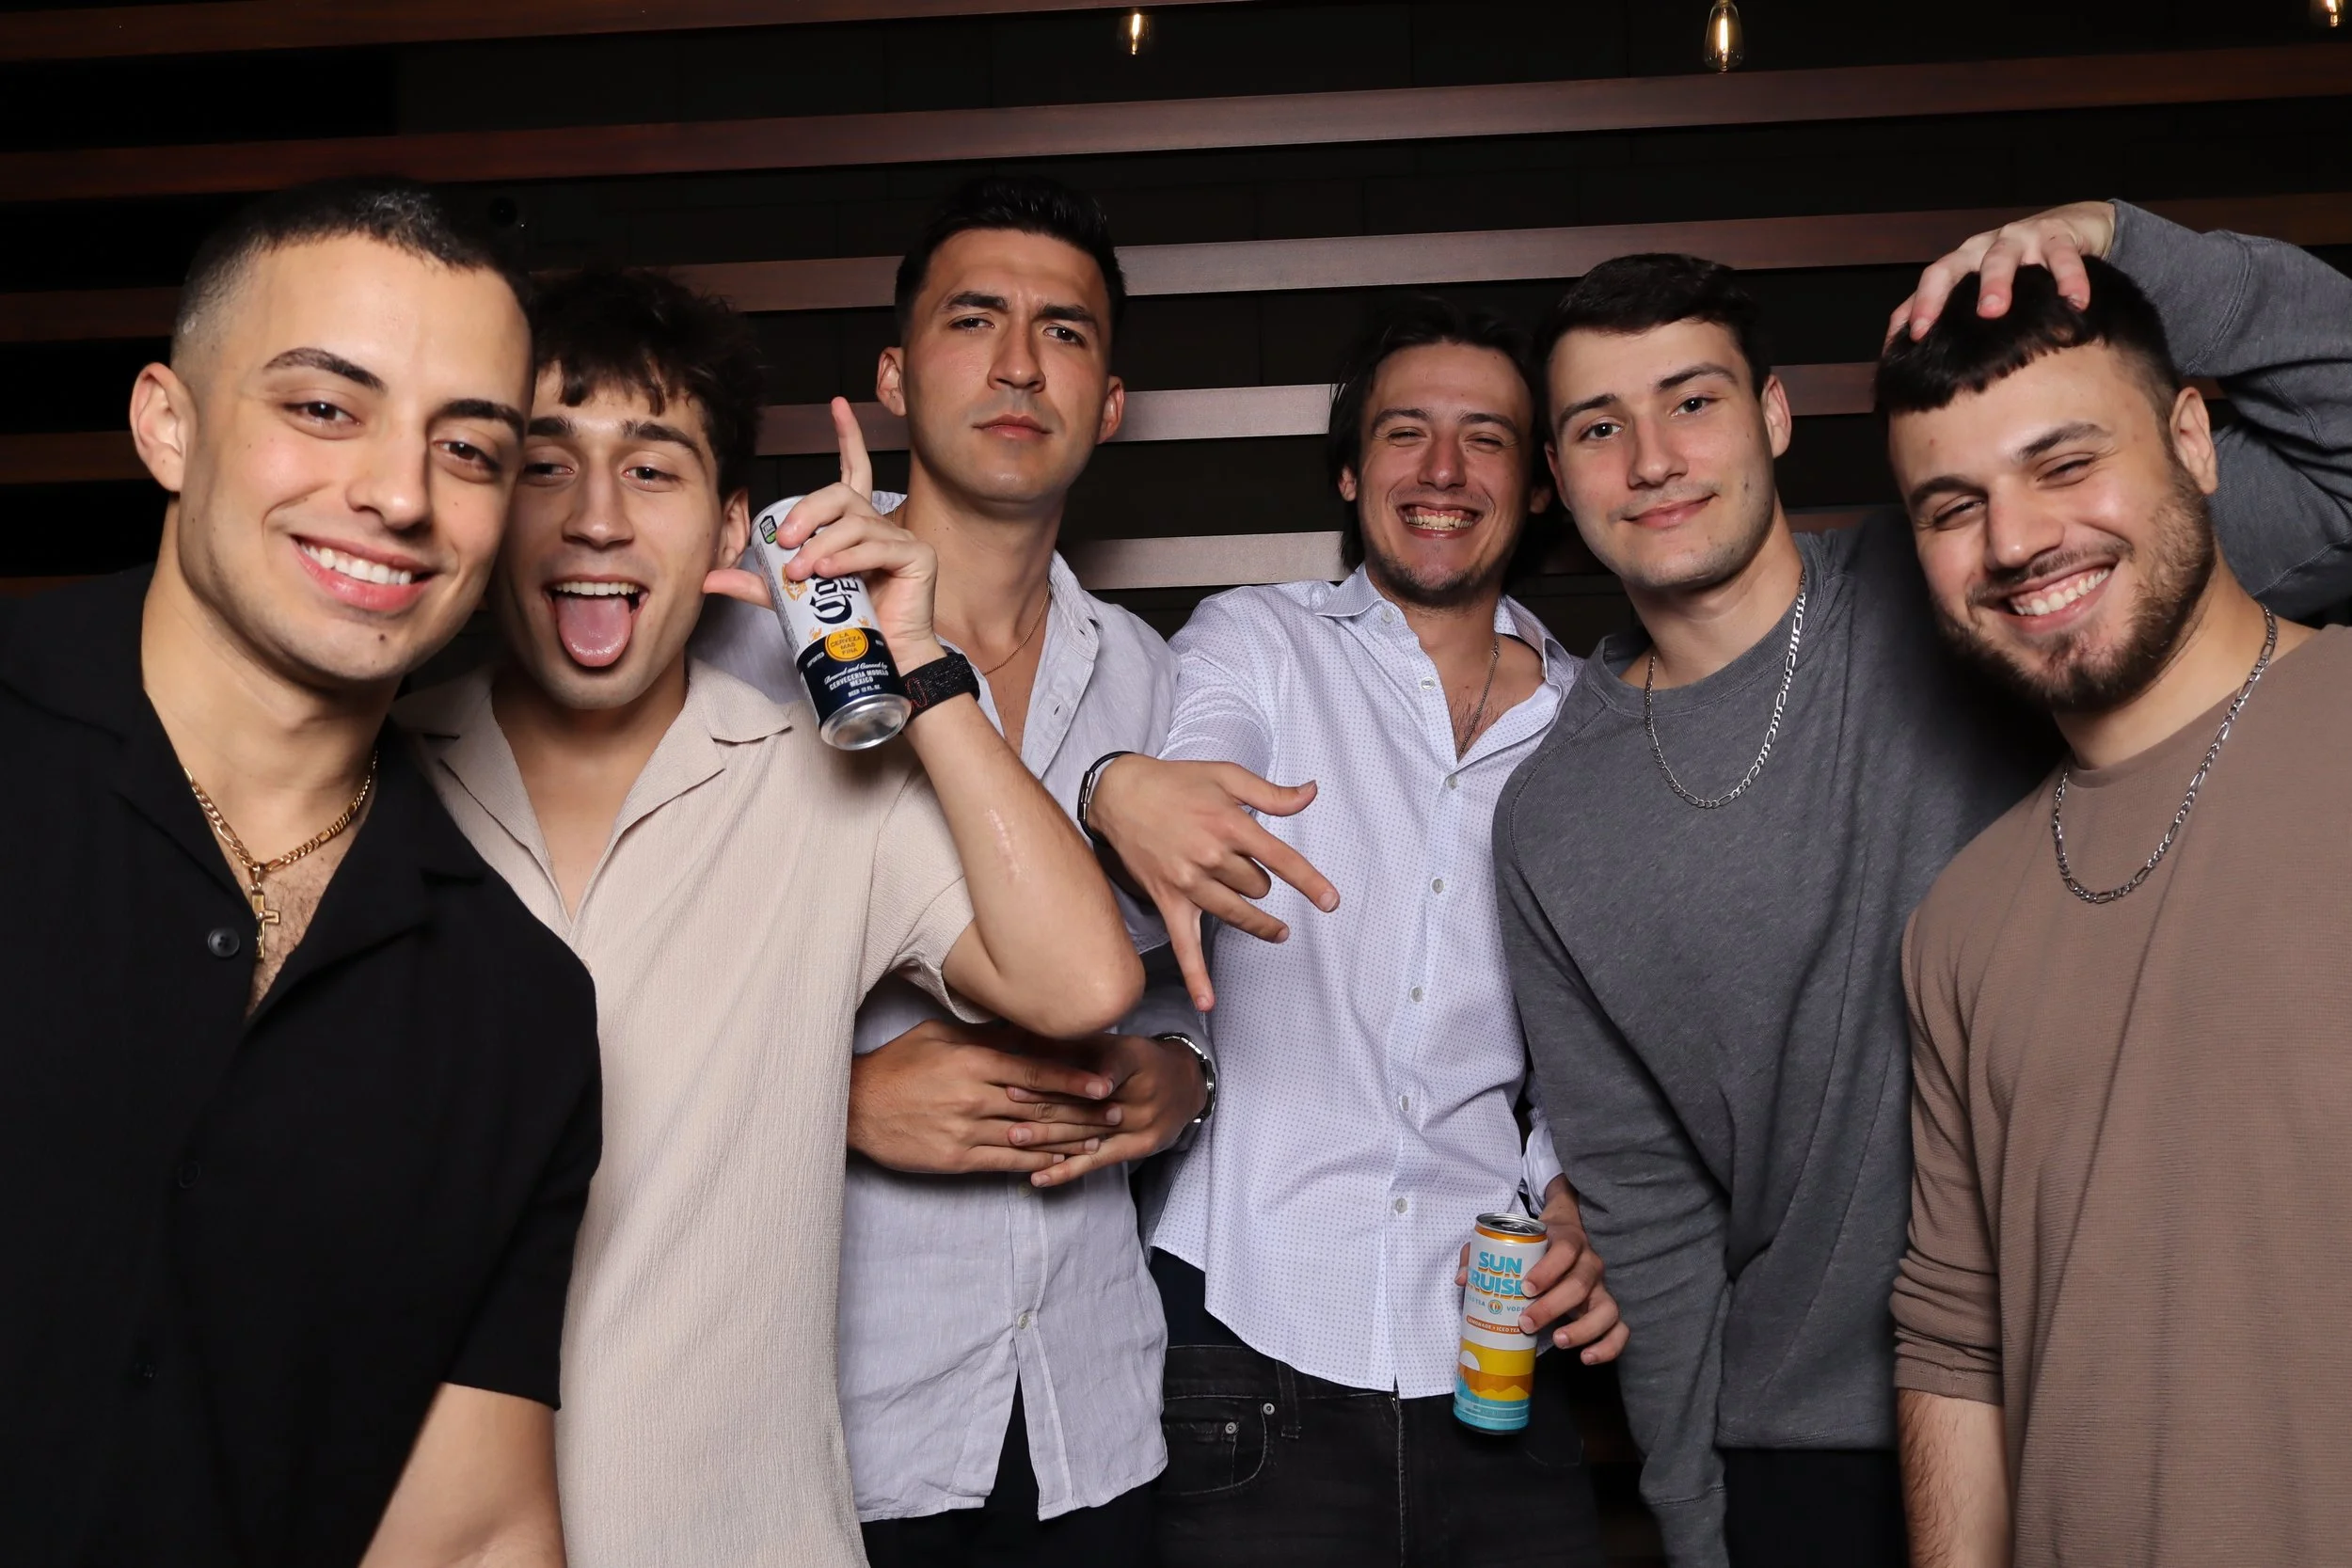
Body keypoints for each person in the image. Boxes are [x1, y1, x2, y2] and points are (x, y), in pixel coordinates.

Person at [1488, 202, 2352, 1568]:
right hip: (1804, 1453)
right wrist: (1701, 1529)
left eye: (1692, 400)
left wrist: (2119, 240)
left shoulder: (2004, 577)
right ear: (1557, 472)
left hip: (2124, 1391)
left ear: (1776, 415)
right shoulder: (1548, 820)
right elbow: (1648, 1215)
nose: (1652, 458)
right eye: (1598, 425)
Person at [398, 259, 1142, 1565]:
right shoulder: (379, 786)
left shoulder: (820, 785)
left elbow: (1082, 982)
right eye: (546, 464)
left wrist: (923, 667)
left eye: (653, 468)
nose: (595, 520)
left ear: (735, 524)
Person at [0, 180, 601, 1568]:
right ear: (169, 421)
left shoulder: (516, 1008)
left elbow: (471, 1528)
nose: (398, 494)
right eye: (326, 407)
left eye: (470, 448)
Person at [696, 173, 1212, 1564]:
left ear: (1108, 402)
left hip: (1091, 1417)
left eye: (1065, 332)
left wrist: (1186, 1083)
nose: (1016, 364)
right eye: (973, 319)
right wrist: (832, 1100)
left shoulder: (1157, 682)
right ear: (893, 373)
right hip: (823, 1423)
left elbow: (1189, 1000)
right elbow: (600, 984)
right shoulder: (740, 619)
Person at [1077, 296, 1626, 1568]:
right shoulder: (1259, 642)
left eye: (1484, 439)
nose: (1442, 472)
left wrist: (1577, 1185)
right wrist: (1137, 794)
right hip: (1249, 1340)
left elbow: (1622, 1019)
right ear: (1347, 469)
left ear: (1538, 485)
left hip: (1494, 1346)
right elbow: (1206, 775)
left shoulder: (1599, 723)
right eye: (1404, 434)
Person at [1884, 252, 2352, 1567]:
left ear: (2194, 439)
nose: (2019, 540)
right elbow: (1954, 1340)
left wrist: (2112, 228)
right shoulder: (1960, 923)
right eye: (1951, 506)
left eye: (2063, 462)